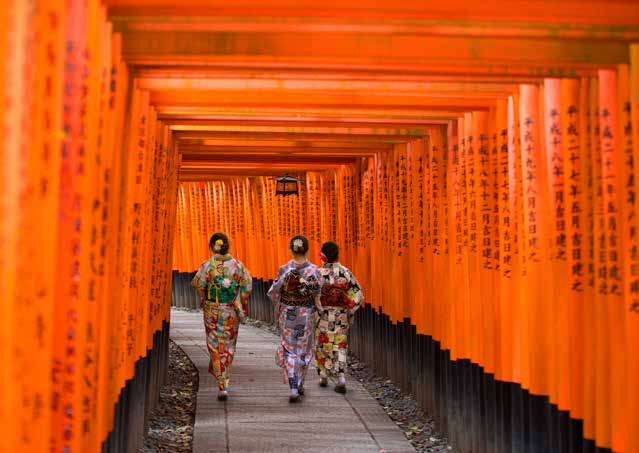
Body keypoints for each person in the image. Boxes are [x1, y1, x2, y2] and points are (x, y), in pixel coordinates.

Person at [191, 232, 252, 401]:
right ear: (228, 246)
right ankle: (225, 381)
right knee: (229, 345)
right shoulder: (238, 266)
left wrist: (205, 298)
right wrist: (239, 301)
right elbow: (247, 286)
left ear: (211, 247)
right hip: (231, 311)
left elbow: (198, 284)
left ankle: (221, 384)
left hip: (212, 310)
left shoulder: (207, 265)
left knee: (214, 345)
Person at [267, 235, 321, 403]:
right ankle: (299, 382)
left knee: (290, 348)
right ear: (307, 250)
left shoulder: (284, 270)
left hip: (288, 313)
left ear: (291, 249)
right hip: (305, 313)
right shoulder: (314, 271)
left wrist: (280, 307)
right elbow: (317, 296)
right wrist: (317, 307)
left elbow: (274, 293)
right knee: (303, 348)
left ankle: (293, 387)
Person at [314, 241, 364, 393]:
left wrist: (315, 308)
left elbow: (309, 294)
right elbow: (358, 294)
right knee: (340, 344)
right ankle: (341, 377)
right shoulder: (346, 273)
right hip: (341, 314)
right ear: (338, 255)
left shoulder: (317, 274)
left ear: (322, 256)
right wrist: (350, 309)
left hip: (322, 314)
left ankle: (323, 375)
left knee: (322, 344)